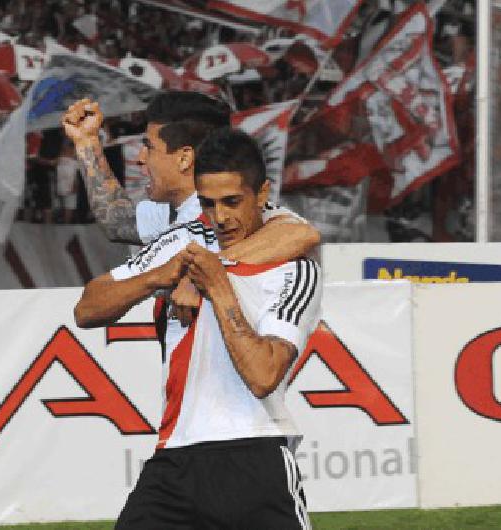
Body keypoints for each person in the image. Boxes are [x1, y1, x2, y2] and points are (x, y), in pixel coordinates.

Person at [74, 127, 321, 529]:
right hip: (175, 456)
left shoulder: (295, 267)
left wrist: (213, 281)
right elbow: (87, 307)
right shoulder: (184, 243)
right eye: (207, 204)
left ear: (263, 194)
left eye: (232, 202)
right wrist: (164, 276)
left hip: (255, 455)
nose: (220, 217)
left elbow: (263, 376)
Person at [62, 90, 320, 327]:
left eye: (149, 147)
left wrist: (199, 274)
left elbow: (302, 234)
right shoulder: (176, 214)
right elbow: (118, 222)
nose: (141, 158)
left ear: (184, 158)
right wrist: (86, 142)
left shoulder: (235, 215)